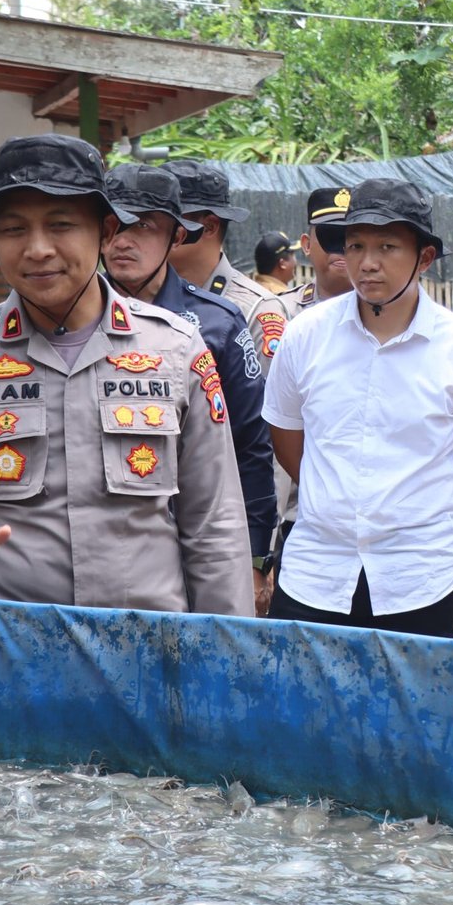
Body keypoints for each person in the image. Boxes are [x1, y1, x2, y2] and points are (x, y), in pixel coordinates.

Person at [0, 133, 252, 615]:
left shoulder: (174, 349)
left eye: (61, 225)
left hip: (142, 652)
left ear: (106, 231)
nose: (37, 249)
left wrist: (223, 659)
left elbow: (213, 522)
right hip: (4, 654)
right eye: (13, 230)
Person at [261, 177, 453, 638]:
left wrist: (405, 507)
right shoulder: (304, 336)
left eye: (388, 247)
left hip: (419, 581)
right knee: (306, 710)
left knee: (413, 710)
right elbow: (289, 445)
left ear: (425, 258)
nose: (367, 263)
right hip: (316, 575)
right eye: (355, 245)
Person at [102, 163, 279, 613]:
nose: (122, 240)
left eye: (142, 226)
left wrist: (257, 554)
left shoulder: (218, 323)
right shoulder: (70, 322)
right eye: (111, 225)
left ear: (177, 237)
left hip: (202, 542)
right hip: (107, 550)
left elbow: (251, 444)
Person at [261, 187, 355, 586]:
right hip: (299, 518)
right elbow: (267, 433)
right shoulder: (279, 316)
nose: (339, 251)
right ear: (306, 244)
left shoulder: (403, 322)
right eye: (328, 237)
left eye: (348, 239)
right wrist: (262, 549)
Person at [163, 159, 287, 367]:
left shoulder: (255, 310)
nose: (155, 229)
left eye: (169, 218)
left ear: (209, 226)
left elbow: (268, 397)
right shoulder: (132, 297)